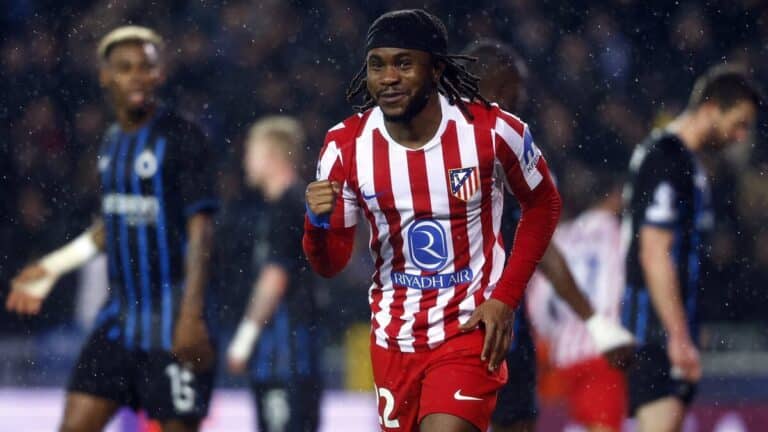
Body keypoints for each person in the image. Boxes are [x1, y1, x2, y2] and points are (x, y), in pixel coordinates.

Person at [303, 9, 562, 432]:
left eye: (404, 63)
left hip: (468, 329)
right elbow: (329, 263)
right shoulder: (344, 146)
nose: (388, 77)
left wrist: (504, 298)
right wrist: (317, 223)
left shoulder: (493, 131)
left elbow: (543, 204)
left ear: (437, 68)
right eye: (377, 64)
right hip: (394, 337)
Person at [6, 26, 219, 432]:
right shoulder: (110, 143)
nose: (137, 77)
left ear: (159, 74)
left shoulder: (182, 138)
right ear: (106, 75)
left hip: (173, 319)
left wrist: (192, 315)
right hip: (118, 320)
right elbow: (112, 228)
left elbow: (202, 231)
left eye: (146, 68)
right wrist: (53, 265)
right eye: (125, 68)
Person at [464, 39, 634, 432]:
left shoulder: (423, 142)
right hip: (490, 325)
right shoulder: (508, 149)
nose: (521, 99)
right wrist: (595, 322)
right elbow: (541, 245)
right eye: (517, 89)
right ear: (501, 87)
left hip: (464, 324)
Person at [622, 64, 760, 432]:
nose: (741, 134)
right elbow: (653, 251)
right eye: (740, 121)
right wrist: (677, 334)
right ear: (712, 108)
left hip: (666, 330)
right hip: (654, 332)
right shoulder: (666, 158)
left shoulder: (685, 161)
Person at [226, 116, 322, 432]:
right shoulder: (299, 202)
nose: (245, 162)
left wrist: (243, 340)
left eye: (250, 152)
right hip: (298, 352)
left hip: (284, 357)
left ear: (270, 155)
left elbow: (274, 278)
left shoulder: (286, 205)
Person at [527, 171, 628, 432]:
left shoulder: (559, 237)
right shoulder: (617, 231)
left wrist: (557, 335)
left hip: (561, 357)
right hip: (603, 350)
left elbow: (538, 306)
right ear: (614, 198)